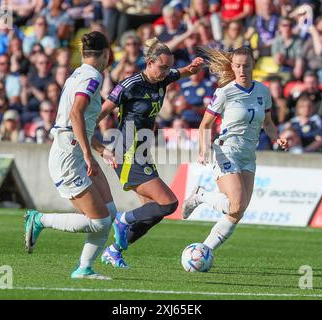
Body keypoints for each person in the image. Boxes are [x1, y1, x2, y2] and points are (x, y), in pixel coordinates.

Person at [98, 38, 205, 268]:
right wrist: (91, 141)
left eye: (168, 68)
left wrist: (193, 67)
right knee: (169, 203)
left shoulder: (164, 77)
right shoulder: (130, 85)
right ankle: (123, 218)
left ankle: (114, 251)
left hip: (142, 152)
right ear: (149, 62)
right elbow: (102, 111)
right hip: (127, 153)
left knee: (152, 215)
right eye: (162, 67)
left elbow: (183, 72)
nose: (166, 72)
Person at [23, 31, 117, 280]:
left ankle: (85, 268)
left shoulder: (78, 73)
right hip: (68, 156)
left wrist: (98, 149)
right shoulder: (93, 76)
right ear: (106, 54)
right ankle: (40, 219)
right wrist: (88, 155)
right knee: (100, 222)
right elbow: (76, 114)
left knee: (110, 211)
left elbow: (78, 122)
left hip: (73, 149)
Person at [181, 46, 288, 261]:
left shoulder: (263, 92)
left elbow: (267, 123)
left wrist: (277, 137)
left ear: (253, 67)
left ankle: (204, 250)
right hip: (226, 150)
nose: (241, 70)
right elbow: (205, 124)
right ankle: (200, 196)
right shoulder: (225, 92)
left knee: (237, 212)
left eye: (245, 66)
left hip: (248, 155)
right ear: (232, 66)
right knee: (235, 204)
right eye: (237, 66)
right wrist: (203, 150)